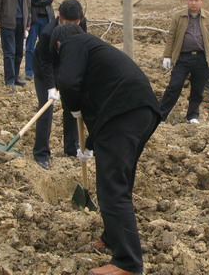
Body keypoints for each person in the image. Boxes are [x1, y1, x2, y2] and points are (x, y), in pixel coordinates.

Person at [52, 23, 161, 275]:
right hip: (141, 111)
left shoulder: (72, 42)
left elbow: (68, 83)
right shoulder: (95, 50)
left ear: (59, 45)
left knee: (112, 188)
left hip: (125, 113)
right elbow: (101, 100)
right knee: (120, 182)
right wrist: (90, 144)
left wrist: (73, 107)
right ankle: (112, 236)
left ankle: (128, 263)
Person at [32, 0, 84, 170]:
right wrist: (51, 87)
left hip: (67, 64)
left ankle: (71, 147)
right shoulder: (48, 33)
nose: (72, 27)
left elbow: (82, 47)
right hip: (45, 67)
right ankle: (41, 153)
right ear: (60, 17)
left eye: (75, 23)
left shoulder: (82, 23)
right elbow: (45, 62)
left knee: (71, 105)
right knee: (46, 109)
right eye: (68, 23)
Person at [159, 0, 209, 124]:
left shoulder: (208, 17)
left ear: (201, 1)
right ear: (186, 0)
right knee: (174, 87)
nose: (193, 3)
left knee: (198, 90)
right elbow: (172, 37)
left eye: (196, 0)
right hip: (183, 58)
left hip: (201, 58)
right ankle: (161, 115)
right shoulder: (179, 17)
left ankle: (192, 115)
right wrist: (167, 56)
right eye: (191, 0)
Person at [24, 0, 55, 81]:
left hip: (46, 18)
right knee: (30, 46)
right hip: (33, 19)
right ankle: (29, 71)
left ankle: (45, 69)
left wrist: (35, 1)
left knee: (45, 46)